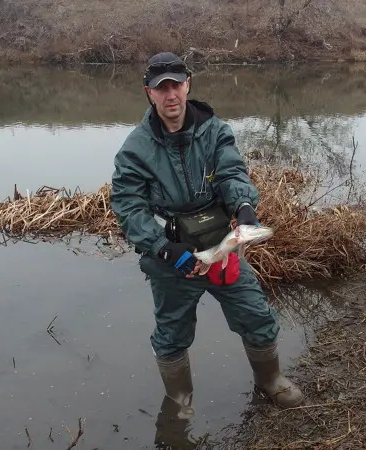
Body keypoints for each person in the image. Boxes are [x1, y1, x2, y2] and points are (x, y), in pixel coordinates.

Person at [110, 52, 304, 420]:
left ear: (188, 85)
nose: (171, 95)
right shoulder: (135, 148)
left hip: (221, 246)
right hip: (171, 256)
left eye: (176, 85)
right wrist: (164, 248)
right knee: (171, 336)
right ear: (148, 93)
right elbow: (128, 206)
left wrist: (244, 206)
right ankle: (180, 402)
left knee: (256, 315)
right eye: (161, 87)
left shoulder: (214, 129)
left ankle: (271, 378)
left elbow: (232, 173)